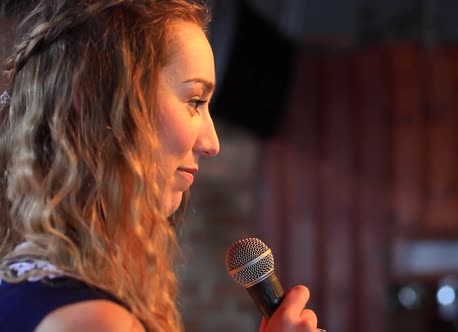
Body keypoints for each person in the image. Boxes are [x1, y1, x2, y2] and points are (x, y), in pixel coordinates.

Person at [0, 1, 320, 331]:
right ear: (100, 100)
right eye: (195, 101)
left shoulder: (23, 284)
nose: (211, 143)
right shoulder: (93, 320)